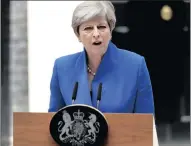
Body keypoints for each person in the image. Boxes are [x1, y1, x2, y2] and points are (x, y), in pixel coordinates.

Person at [48, 1, 158, 145]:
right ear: (78, 35)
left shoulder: (135, 65)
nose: (96, 34)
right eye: (88, 28)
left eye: (101, 27)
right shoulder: (62, 67)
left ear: (110, 30)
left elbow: (145, 125)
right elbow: (52, 122)